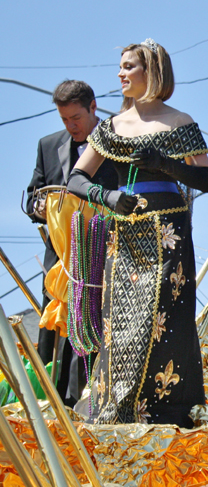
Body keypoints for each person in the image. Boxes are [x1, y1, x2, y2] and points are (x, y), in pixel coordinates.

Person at [66, 39, 208, 428]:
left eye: (129, 66)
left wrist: (165, 164)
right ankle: (116, 409)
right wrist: (108, 196)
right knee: (122, 324)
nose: (120, 73)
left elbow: (206, 178)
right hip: (125, 232)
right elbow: (76, 179)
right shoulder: (111, 126)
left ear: (152, 72)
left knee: (164, 318)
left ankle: (168, 412)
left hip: (168, 231)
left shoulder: (180, 121)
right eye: (121, 66)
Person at [25, 80, 118, 406]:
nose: (70, 125)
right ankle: (48, 399)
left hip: (103, 257)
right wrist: (42, 207)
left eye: (76, 117)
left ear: (93, 107)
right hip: (60, 261)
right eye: (64, 119)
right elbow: (33, 195)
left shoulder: (118, 142)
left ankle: (90, 400)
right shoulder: (48, 145)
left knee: (94, 325)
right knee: (54, 325)